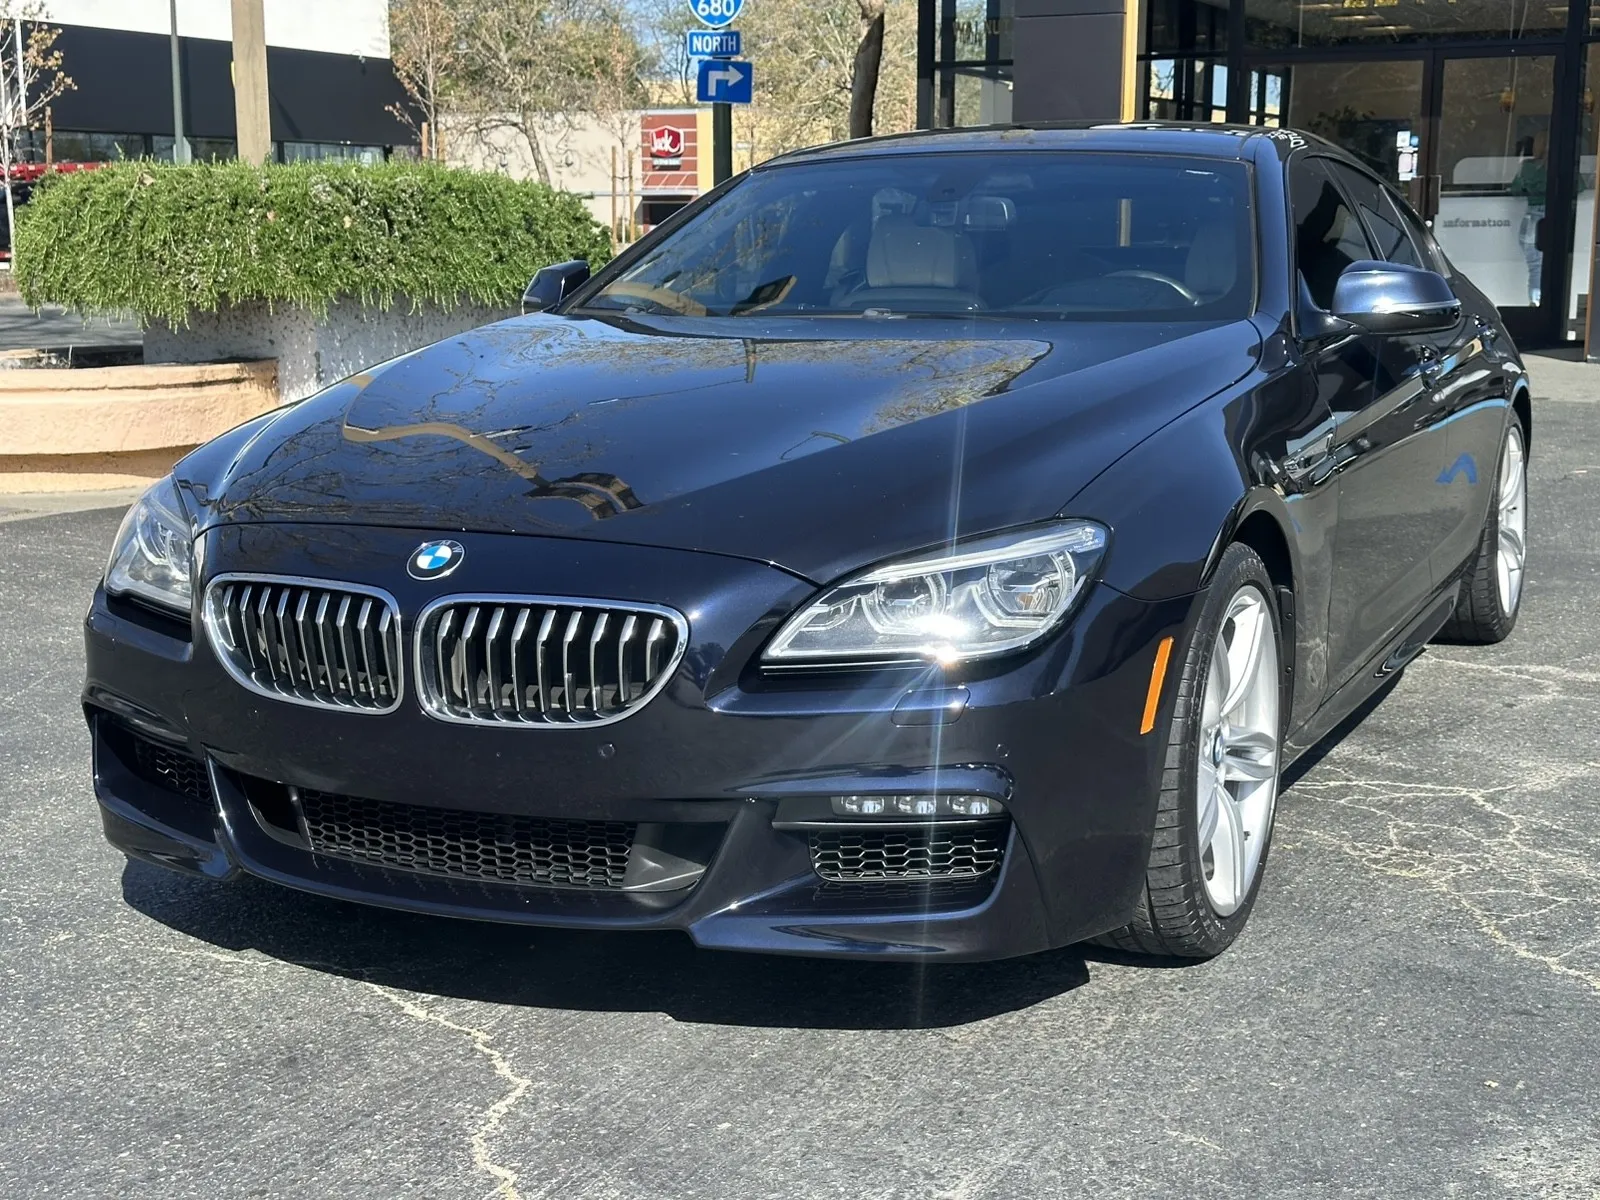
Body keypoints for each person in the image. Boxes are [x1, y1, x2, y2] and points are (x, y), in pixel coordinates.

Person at [1510, 131, 1549, 306]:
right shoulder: (1562, 165)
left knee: (1535, 267)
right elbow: (1579, 186)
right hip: (1551, 218)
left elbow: (1515, 189)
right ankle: (1540, 304)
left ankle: (1535, 305)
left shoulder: (1527, 167)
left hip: (1531, 218)